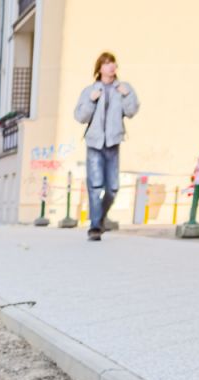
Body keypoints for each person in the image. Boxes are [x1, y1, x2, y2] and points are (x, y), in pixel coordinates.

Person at [73, 51, 139, 241]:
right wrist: (92, 101)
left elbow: (132, 111)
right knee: (95, 185)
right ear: (99, 68)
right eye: (106, 63)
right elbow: (80, 116)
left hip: (113, 143)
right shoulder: (90, 90)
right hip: (94, 143)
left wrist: (127, 96)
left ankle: (100, 217)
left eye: (113, 63)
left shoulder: (124, 88)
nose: (111, 66)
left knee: (113, 188)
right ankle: (94, 227)